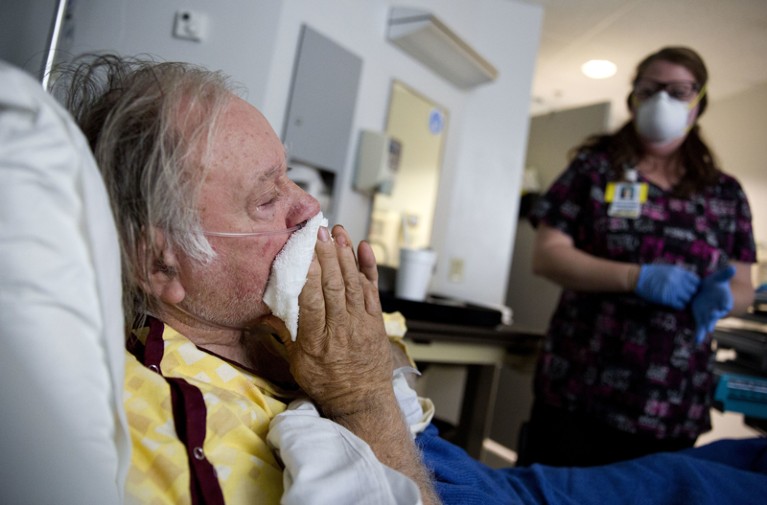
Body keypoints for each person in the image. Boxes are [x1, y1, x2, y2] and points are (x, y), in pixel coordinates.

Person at [52, 54, 767, 505]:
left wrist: (363, 363)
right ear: (159, 264)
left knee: (728, 465)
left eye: (292, 176)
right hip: (454, 471)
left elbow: (400, 376)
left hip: (461, 458)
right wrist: (359, 396)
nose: (310, 208)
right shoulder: (155, 420)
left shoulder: (269, 314)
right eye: (268, 199)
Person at [518, 46, 757, 467]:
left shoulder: (725, 193)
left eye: (679, 90)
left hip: (672, 405)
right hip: (579, 391)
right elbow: (548, 256)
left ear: (699, 103)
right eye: (649, 89)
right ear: (633, 98)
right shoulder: (594, 170)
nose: (662, 100)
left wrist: (723, 298)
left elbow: (743, 287)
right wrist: (635, 277)